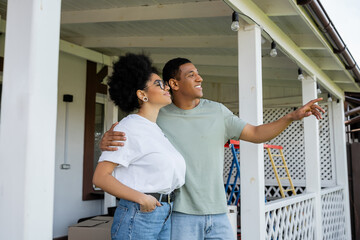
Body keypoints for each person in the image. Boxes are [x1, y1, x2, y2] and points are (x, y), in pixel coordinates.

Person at [100, 57, 324, 240]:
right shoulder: (157, 116)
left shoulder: (217, 112)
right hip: (178, 214)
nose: (200, 78)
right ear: (174, 84)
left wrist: (291, 117)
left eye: (198, 73)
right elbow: (128, 135)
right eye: (191, 74)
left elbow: (256, 134)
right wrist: (105, 140)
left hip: (218, 212)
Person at [92, 53, 186, 240]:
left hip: (163, 212)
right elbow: (101, 177)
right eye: (159, 84)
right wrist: (142, 198)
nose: (166, 87)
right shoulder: (129, 128)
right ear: (142, 94)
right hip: (141, 212)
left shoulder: (155, 130)